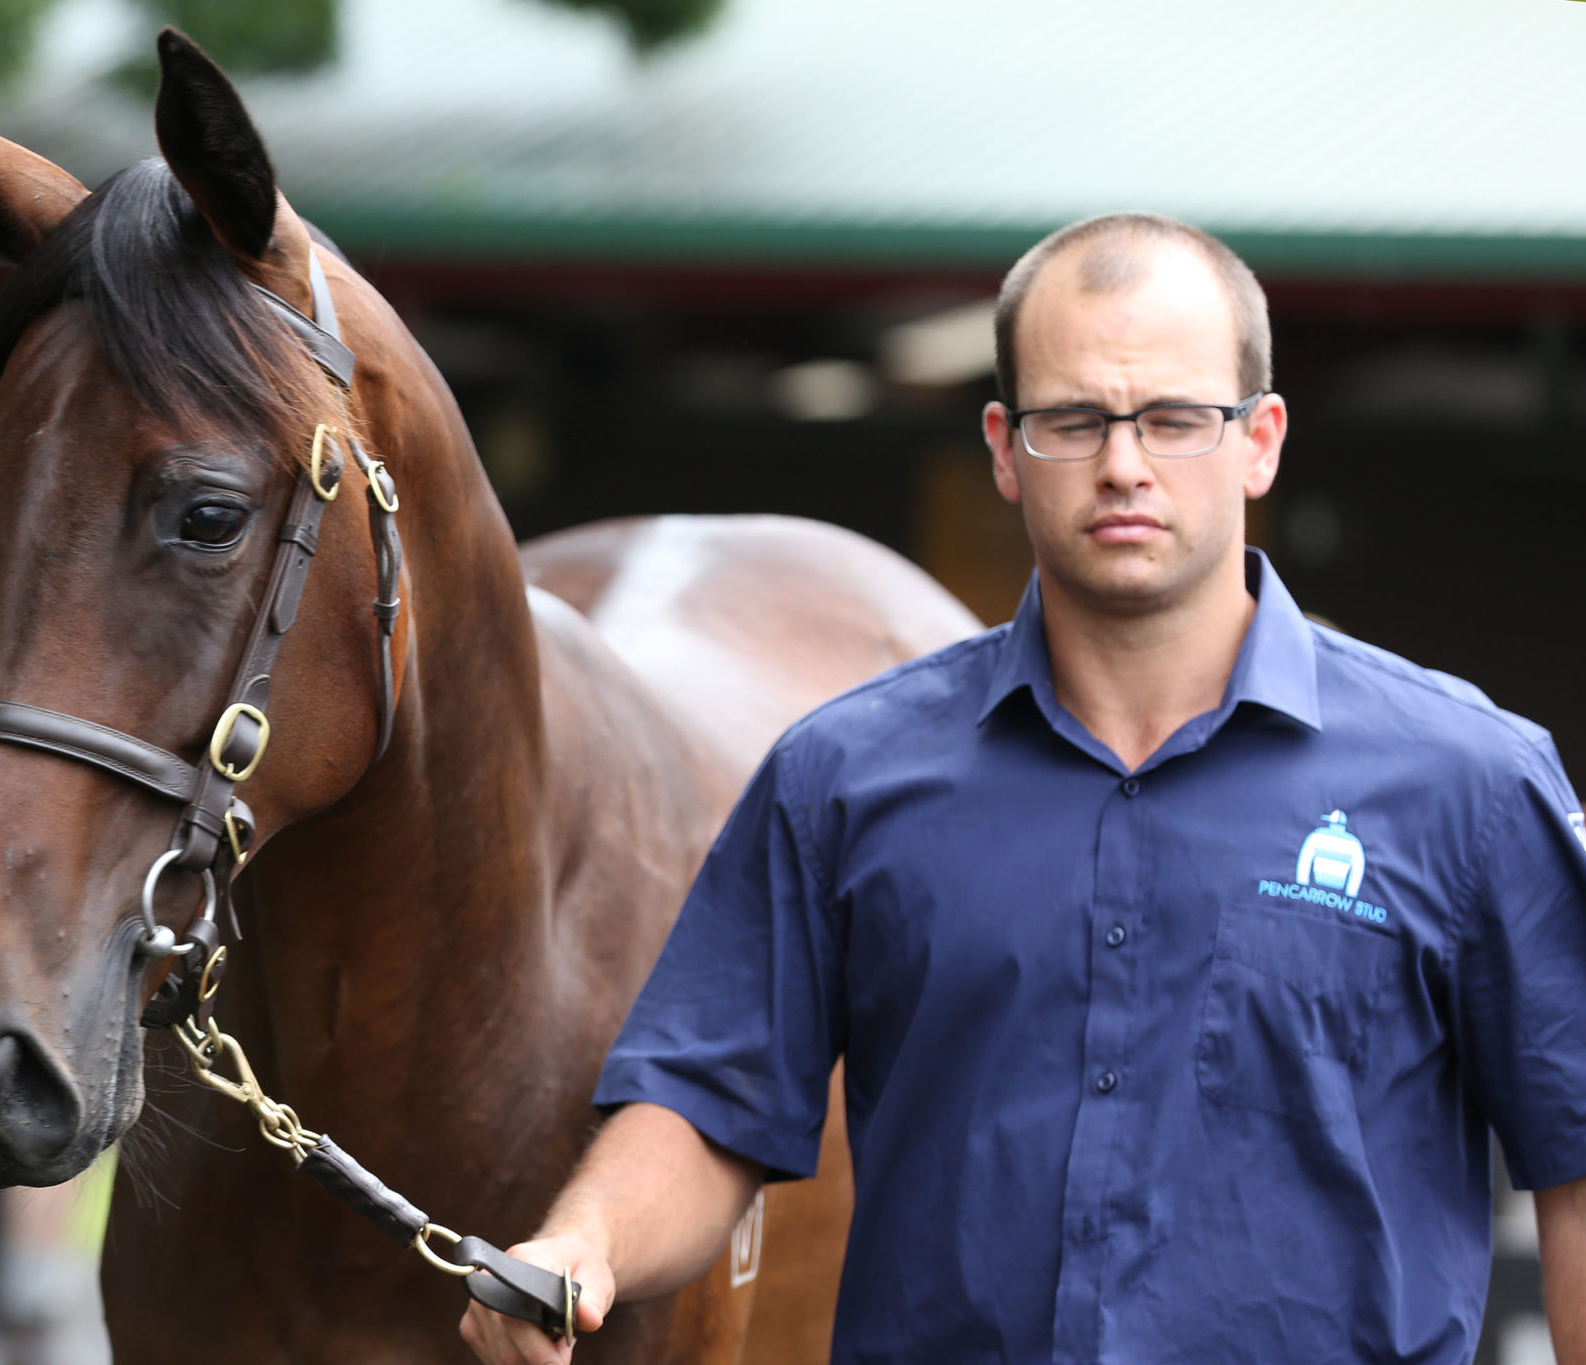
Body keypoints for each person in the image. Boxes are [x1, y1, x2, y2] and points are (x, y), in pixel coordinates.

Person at [460, 212, 1586, 1365]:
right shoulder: (842, 779)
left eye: (1173, 419)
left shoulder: (1471, 786)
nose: (1123, 464)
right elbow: (706, 1107)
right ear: (1003, 447)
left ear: (1259, 440)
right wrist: (578, 1245)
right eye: (1074, 420)